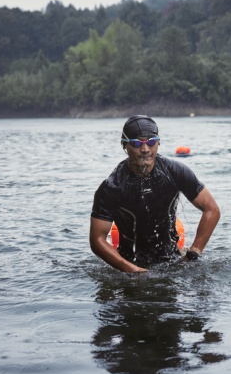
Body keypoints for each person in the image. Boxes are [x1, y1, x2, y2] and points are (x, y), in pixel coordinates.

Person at [90, 115, 220, 273]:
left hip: (171, 259)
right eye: (137, 143)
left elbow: (212, 210)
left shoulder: (175, 172)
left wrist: (193, 253)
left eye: (151, 142)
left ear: (158, 143)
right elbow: (97, 240)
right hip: (130, 263)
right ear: (125, 145)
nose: (145, 149)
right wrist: (132, 270)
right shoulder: (112, 187)